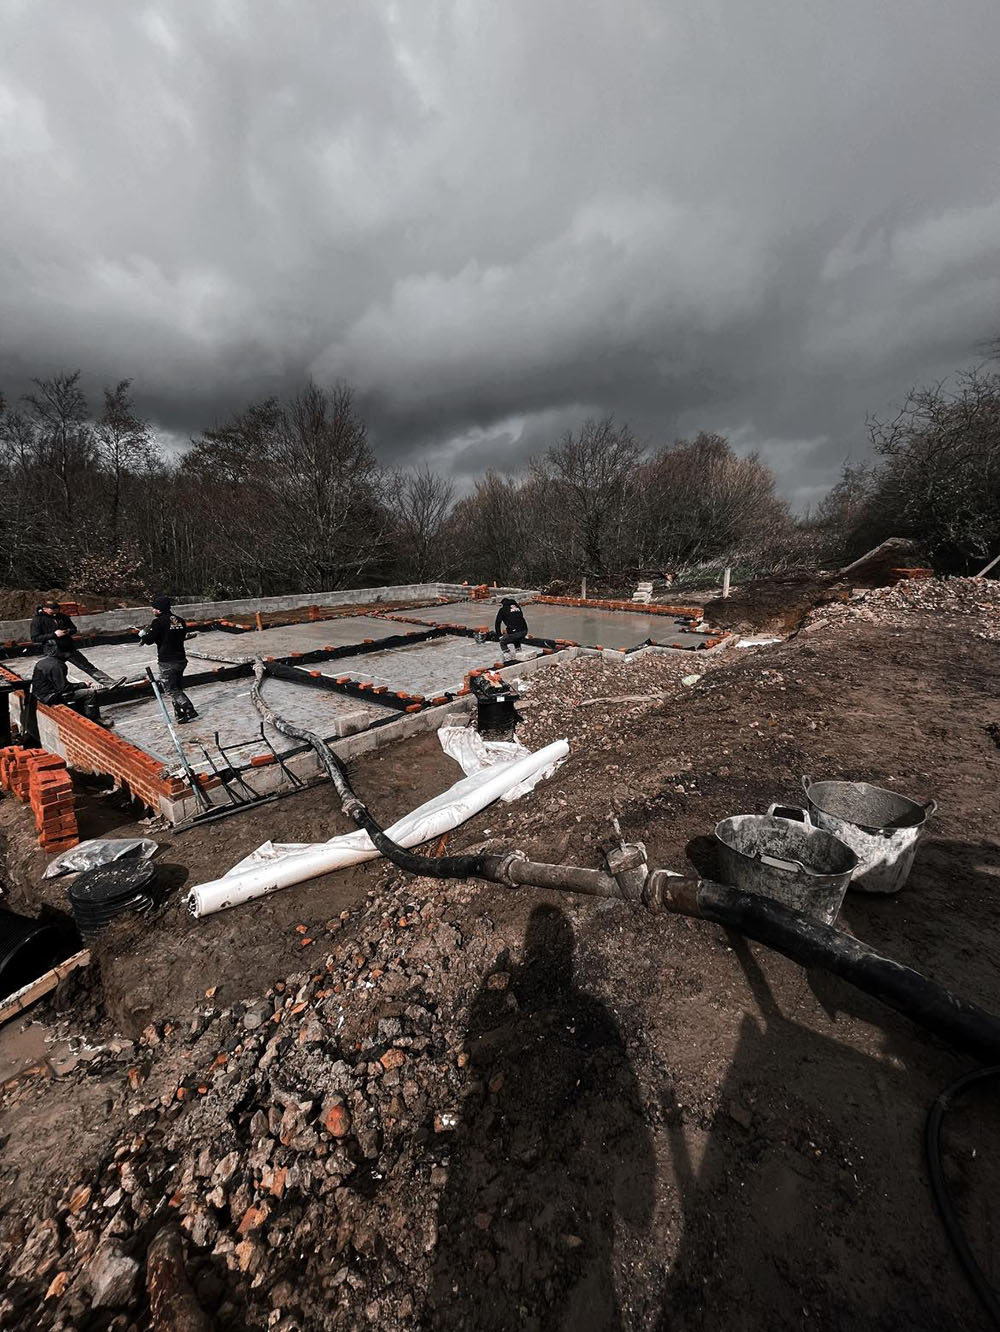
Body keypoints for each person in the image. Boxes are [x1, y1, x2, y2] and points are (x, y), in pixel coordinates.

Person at [138, 595, 198, 723]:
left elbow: (149, 640)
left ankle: (189, 709)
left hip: (167, 661)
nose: (152, 611)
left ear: (160, 609)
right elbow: (181, 636)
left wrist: (144, 635)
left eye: (154, 608)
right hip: (181, 659)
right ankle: (180, 714)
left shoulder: (158, 622)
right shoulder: (180, 620)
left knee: (170, 689)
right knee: (177, 687)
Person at [29, 599, 115, 687]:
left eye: (56, 608)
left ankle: (109, 683)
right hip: (53, 651)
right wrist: (54, 634)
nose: (55, 610)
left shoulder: (62, 617)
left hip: (68, 647)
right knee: (55, 670)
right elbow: (35, 638)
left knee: (87, 666)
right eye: (53, 609)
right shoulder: (38, 620)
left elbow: (74, 629)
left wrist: (68, 631)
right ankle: (52, 688)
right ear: (45, 609)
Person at [31, 638, 109, 725]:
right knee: (89, 693)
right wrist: (83, 684)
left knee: (78, 693)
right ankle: (94, 720)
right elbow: (63, 688)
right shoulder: (58, 665)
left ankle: (84, 714)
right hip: (49, 696)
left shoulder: (42, 662)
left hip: (39, 694)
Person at [494, 596, 528, 662]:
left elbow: (497, 623)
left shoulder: (503, 609)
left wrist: (499, 636)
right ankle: (519, 653)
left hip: (515, 631)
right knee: (516, 639)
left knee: (503, 642)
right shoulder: (517, 607)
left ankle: (508, 657)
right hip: (524, 630)